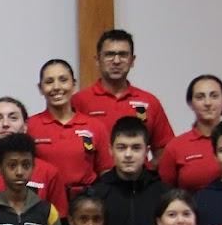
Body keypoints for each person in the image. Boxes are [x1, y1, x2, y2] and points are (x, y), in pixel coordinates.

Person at [71, 29, 175, 161]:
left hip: (138, 180)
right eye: (109, 54)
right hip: (97, 181)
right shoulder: (79, 101)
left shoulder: (149, 102)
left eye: (123, 54)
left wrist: (148, 176)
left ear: (132, 60)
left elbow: (164, 149)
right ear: (97, 60)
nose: (116, 61)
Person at [28, 59, 112, 201]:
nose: (56, 87)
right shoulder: (29, 126)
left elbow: (107, 172)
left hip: (85, 207)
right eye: (49, 82)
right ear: (40, 88)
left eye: (63, 80)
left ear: (74, 84)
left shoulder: (95, 126)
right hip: (44, 205)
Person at [0, 96, 68, 216]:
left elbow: (59, 219)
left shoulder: (48, 172)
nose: (5, 124)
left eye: (13, 118)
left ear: (25, 125)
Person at [88, 116, 166, 225]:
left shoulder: (163, 194)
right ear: (111, 150)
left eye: (136, 148)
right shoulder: (96, 195)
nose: (128, 155)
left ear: (147, 151)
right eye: (121, 148)